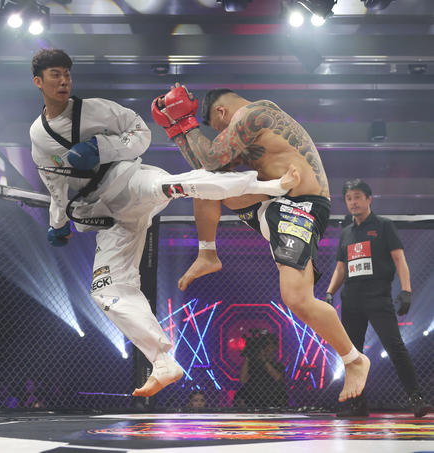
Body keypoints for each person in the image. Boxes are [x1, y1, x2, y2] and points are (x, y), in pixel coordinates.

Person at [29, 49, 300, 398]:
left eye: (66, 73)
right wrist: (57, 223)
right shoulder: (39, 135)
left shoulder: (95, 109)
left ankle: (269, 186)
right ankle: (162, 361)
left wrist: (102, 148)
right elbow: (53, 180)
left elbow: (140, 133)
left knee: (177, 185)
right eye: (55, 74)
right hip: (108, 215)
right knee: (106, 291)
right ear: (38, 82)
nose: (64, 80)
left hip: (129, 181)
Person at [151, 84, 370, 403]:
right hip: (275, 200)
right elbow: (209, 166)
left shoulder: (252, 115)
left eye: (218, 129)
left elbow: (211, 156)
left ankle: (354, 359)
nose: (220, 136)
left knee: (297, 298)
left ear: (222, 111)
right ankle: (207, 254)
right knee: (203, 183)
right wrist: (176, 130)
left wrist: (183, 124)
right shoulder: (247, 129)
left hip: (299, 205)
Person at [326, 179, 432, 417]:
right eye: (349, 198)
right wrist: (330, 293)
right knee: (352, 353)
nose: (353, 202)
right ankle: (357, 404)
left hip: (378, 297)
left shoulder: (384, 226)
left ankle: (416, 399)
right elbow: (341, 267)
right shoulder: (346, 232)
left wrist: (406, 291)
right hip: (351, 300)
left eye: (357, 197)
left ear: (368, 199)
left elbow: (399, 259)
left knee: (395, 347)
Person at [236, 331, 288, 409]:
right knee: (240, 395)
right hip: (253, 399)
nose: (266, 348)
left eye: (269, 345)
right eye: (264, 346)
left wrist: (264, 360)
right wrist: (248, 357)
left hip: (272, 398)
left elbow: (277, 377)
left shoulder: (278, 365)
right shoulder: (254, 365)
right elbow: (243, 380)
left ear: (275, 348)